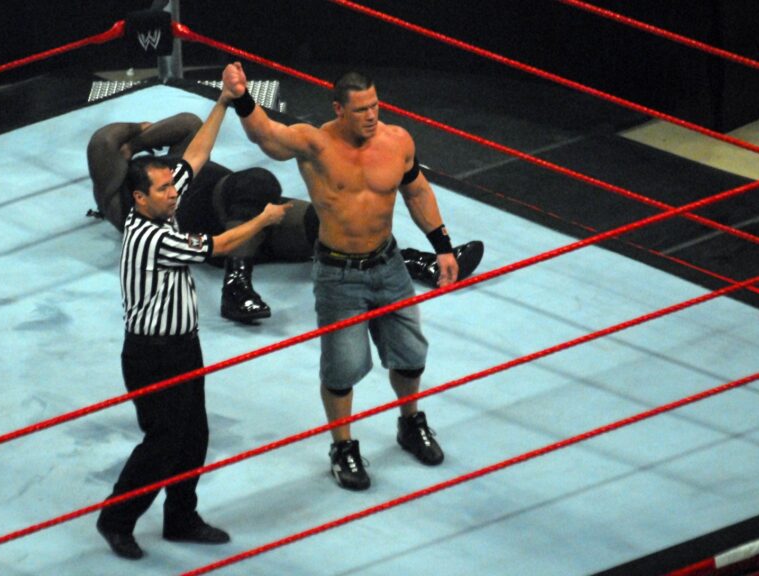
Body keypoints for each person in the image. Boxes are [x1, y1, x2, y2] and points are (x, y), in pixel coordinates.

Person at [223, 62, 469, 491]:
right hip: (339, 273)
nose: (372, 116)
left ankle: (411, 423)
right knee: (343, 367)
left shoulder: (397, 141)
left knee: (411, 355)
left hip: (389, 264)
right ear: (339, 109)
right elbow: (265, 134)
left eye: (375, 106)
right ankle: (343, 447)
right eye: (361, 110)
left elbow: (416, 190)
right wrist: (242, 96)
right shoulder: (314, 143)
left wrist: (443, 245)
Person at [94, 76, 290, 560]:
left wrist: (222, 103)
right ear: (139, 199)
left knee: (194, 435)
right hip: (151, 354)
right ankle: (116, 519)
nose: (173, 194)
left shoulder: (163, 205)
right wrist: (263, 220)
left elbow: (194, 158)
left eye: (169, 188)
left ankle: (181, 516)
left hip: (184, 345)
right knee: (162, 442)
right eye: (163, 190)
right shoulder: (150, 235)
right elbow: (218, 246)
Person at [88, 115, 484, 324]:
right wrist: (133, 140)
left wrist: (141, 139)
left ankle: (421, 262)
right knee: (256, 181)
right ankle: (236, 286)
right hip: (220, 218)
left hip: (250, 209)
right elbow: (105, 140)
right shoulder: (118, 200)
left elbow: (189, 122)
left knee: (326, 219)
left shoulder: (171, 166)